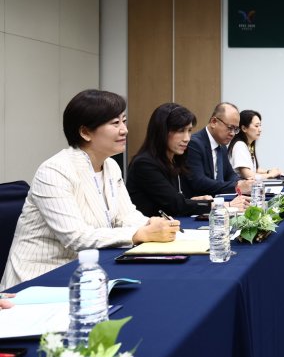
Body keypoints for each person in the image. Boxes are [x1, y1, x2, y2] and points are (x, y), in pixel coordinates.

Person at [0, 90, 179, 289]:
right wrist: (139, 234)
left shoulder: (110, 165)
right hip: (39, 279)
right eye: (115, 123)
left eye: (124, 121)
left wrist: (150, 223)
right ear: (85, 132)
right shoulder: (55, 170)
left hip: (88, 271)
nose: (124, 130)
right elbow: (76, 237)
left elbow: (126, 216)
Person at [126, 103, 216, 217]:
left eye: (189, 130)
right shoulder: (144, 164)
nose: (187, 138)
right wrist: (215, 205)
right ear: (162, 131)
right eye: (180, 131)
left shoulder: (174, 159)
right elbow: (176, 205)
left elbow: (175, 199)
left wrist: (194, 201)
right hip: (150, 226)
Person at [184, 102, 253, 198]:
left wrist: (242, 183)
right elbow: (199, 182)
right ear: (214, 122)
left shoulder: (221, 145)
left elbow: (230, 174)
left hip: (220, 201)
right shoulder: (194, 144)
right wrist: (236, 186)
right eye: (230, 128)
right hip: (201, 203)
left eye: (235, 129)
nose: (232, 133)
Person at [228, 110, 282, 179]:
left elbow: (254, 169)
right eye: (256, 126)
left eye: (260, 126)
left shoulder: (248, 145)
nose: (260, 130)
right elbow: (248, 175)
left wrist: (269, 171)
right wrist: (271, 175)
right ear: (244, 128)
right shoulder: (240, 146)